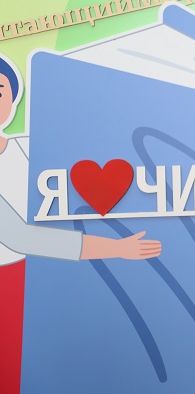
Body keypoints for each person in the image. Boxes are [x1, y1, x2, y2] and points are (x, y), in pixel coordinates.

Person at [0, 53, 162, 393]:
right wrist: (116, 248)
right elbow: (19, 237)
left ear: (12, 98)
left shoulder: (30, 147)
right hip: (10, 285)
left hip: (48, 275)